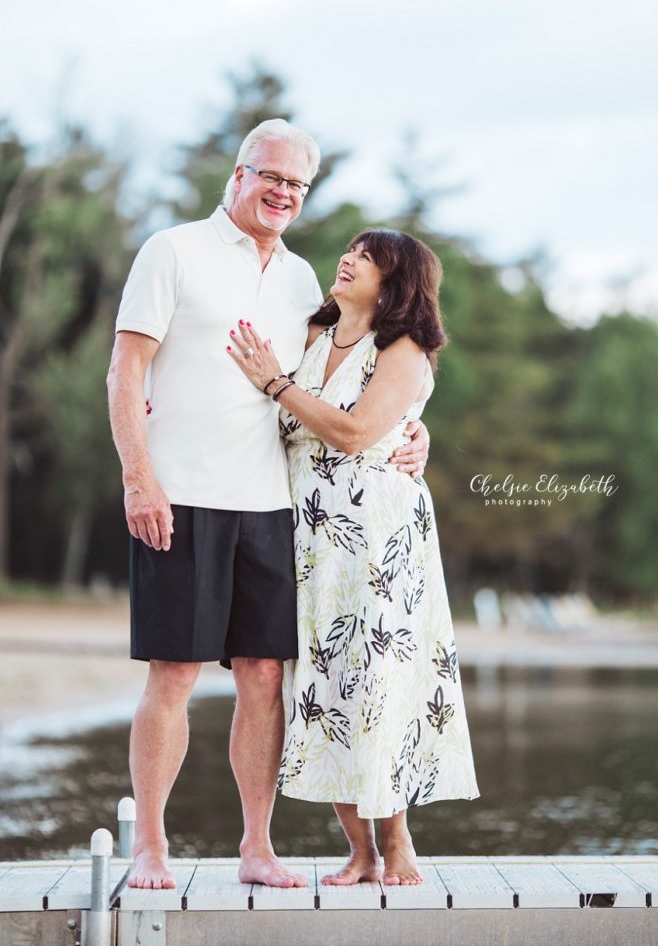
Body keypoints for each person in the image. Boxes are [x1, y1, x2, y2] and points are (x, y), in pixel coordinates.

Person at [106, 119, 430, 890]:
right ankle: (150, 846)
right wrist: (137, 477)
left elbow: (356, 373)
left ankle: (257, 846)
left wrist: (415, 436)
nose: (282, 192)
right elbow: (124, 373)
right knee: (174, 673)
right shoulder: (172, 249)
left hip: (273, 505)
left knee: (264, 674)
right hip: (179, 493)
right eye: (270, 176)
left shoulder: (299, 279)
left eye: (297, 184)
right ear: (239, 174)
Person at [228, 228, 480, 887]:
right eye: (349, 250)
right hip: (308, 538)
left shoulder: (402, 348)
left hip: (376, 540)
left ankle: (398, 846)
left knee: (374, 682)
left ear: (393, 283)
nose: (347, 260)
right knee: (322, 684)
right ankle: (359, 851)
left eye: (366, 258)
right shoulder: (313, 337)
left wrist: (274, 384)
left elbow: (354, 432)